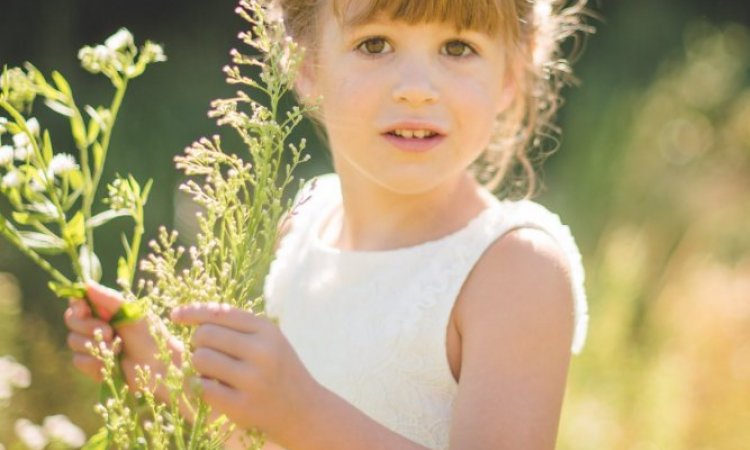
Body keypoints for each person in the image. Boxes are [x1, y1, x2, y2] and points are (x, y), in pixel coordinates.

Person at [64, 0, 591, 448]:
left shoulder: (514, 268)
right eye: (375, 45)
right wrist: (167, 374)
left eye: (457, 48)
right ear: (304, 60)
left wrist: (302, 411)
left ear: (510, 73)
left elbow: (299, 422)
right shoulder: (306, 221)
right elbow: (271, 438)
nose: (416, 89)